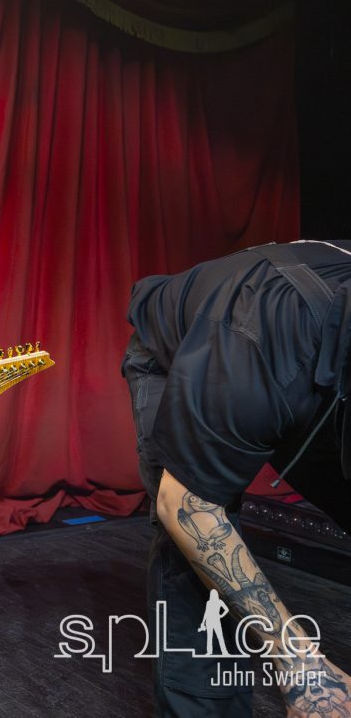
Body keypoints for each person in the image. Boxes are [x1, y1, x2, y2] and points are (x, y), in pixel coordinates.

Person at [122, 240, 351, 717]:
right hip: (187, 354)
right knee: (196, 539)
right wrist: (303, 669)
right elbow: (189, 508)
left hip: (295, 363)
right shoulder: (260, 336)